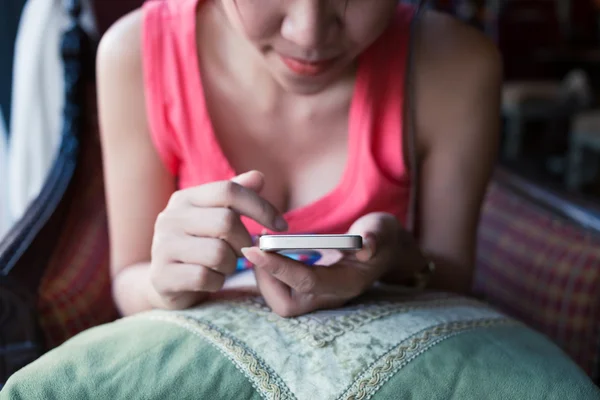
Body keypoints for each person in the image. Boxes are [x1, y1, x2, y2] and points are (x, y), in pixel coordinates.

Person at [96, 0, 501, 319]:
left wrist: (396, 258)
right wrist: (161, 285)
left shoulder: (456, 67)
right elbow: (129, 278)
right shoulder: (137, 53)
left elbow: (451, 282)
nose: (307, 34)